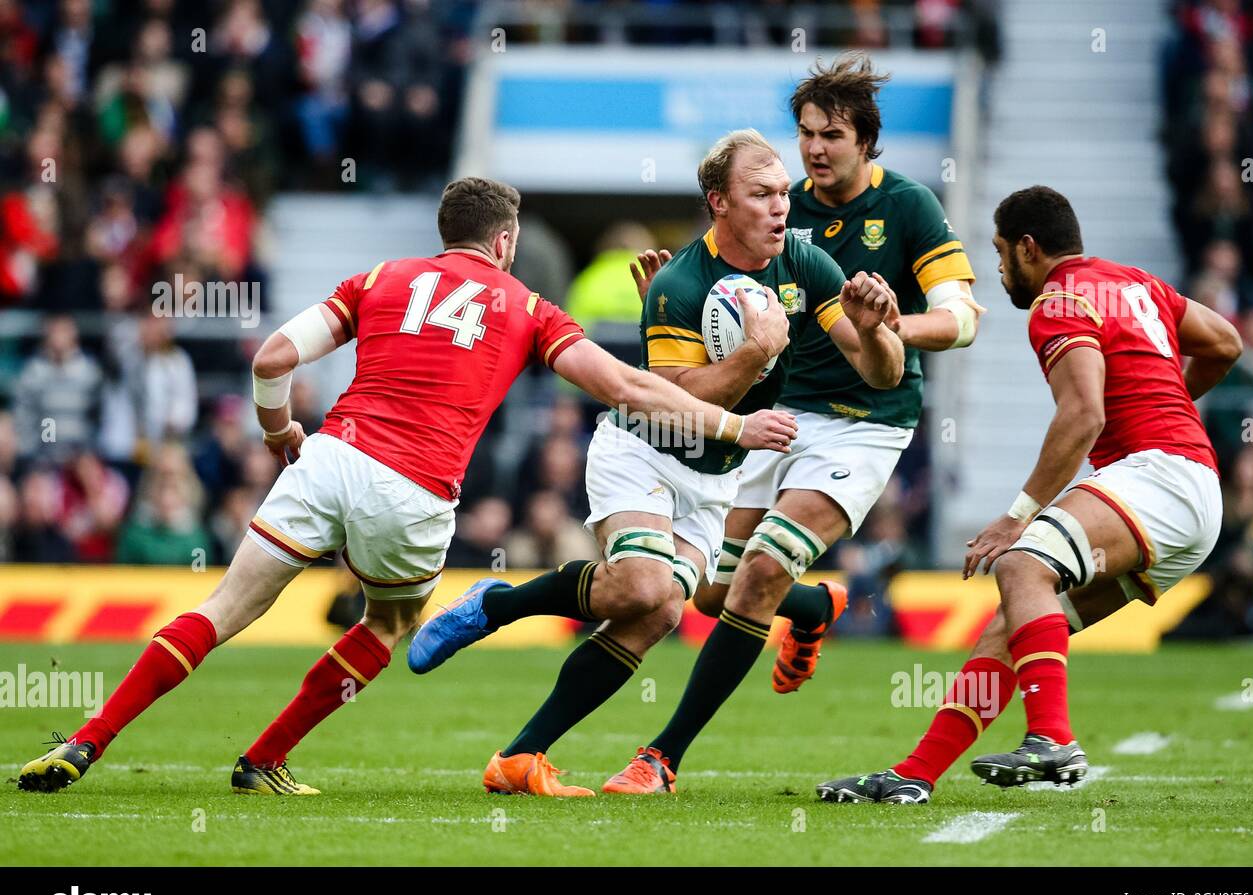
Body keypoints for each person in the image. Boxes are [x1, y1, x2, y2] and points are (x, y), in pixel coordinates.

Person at [16, 176, 797, 796]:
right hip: (416, 489)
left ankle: (89, 737)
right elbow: (627, 387)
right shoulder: (526, 306)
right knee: (387, 625)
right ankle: (263, 759)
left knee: (220, 610)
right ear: (504, 240)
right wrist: (732, 426)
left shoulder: (380, 277)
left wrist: (278, 432)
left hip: (330, 456)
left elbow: (271, 360)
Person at [410, 129, 904, 798]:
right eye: (760, 194)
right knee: (647, 590)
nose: (780, 207)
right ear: (719, 203)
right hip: (642, 451)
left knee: (662, 611)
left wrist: (876, 327)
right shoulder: (679, 282)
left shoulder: (806, 266)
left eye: (784, 193)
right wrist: (754, 357)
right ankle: (498, 606)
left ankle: (519, 756)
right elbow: (670, 403)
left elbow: (882, 375)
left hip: (715, 477)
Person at [604, 54, 984, 794]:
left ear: (865, 141)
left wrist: (889, 323)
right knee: (712, 593)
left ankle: (662, 757)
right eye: (807, 133)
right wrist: (669, 301)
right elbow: (713, 292)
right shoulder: (777, 202)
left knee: (761, 572)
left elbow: (965, 317)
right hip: (774, 416)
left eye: (832, 135)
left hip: (867, 418)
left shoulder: (906, 207)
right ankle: (816, 608)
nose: (815, 149)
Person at [817, 185, 1241, 804]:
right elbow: (1225, 342)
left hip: (1158, 477)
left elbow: (1083, 415)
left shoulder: (1059, 301)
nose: (997, 268)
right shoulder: (1136, 282)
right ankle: (915, 776)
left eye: (999, 251)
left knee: (1020, 563)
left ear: (1028, 247)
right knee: (1011, 625)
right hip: (1189, 490)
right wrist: (1164, 406)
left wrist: (1017, 517)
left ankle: (1053, 739)